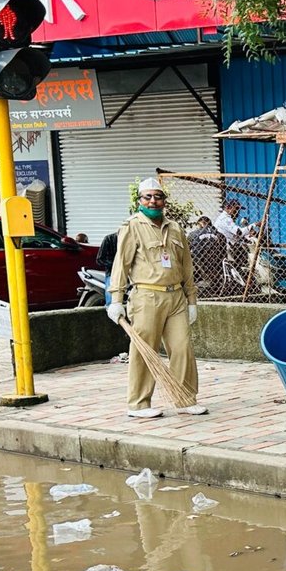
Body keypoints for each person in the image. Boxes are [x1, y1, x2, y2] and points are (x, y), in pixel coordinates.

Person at [106, 175, 206, 419]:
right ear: (139, 200)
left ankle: (185, 398)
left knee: (182, 348)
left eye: (158, 197)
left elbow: (187, 267)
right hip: (146, 297)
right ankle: (139, 403)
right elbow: (121, 264)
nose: (153, 201)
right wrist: (116, 299)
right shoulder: (132, 227)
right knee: (144, 349)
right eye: (147, 197)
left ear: (164, 201)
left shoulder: (175, 228)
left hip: (176, 297)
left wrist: (192, 300)